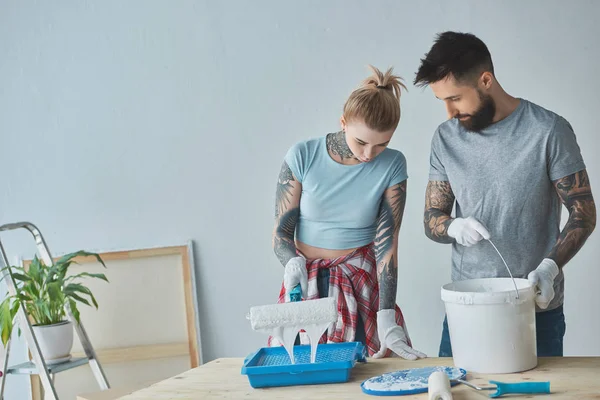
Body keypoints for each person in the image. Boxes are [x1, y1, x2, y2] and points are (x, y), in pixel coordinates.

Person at [414, 31, 597, 357]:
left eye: (455, 98)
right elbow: (432, 217)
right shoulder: (444, 139)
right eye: (441, 101)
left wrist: (550, 268)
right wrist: (452, 226)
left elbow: (583, 211)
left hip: (535, 308)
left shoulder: (549, 131)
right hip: (467, 306)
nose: (449, 112)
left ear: (486, 80)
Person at [269, 65, 426, 360]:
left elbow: (387, 245)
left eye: (382, 145)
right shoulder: (302, 155)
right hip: (306, 282)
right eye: (361, 142)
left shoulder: (393, 165)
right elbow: (281, 234)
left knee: (370, 371)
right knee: (300, 371)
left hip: (361, 283)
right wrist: (291, 263)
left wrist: (387, 316)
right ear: (343, 122)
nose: (369, 154)